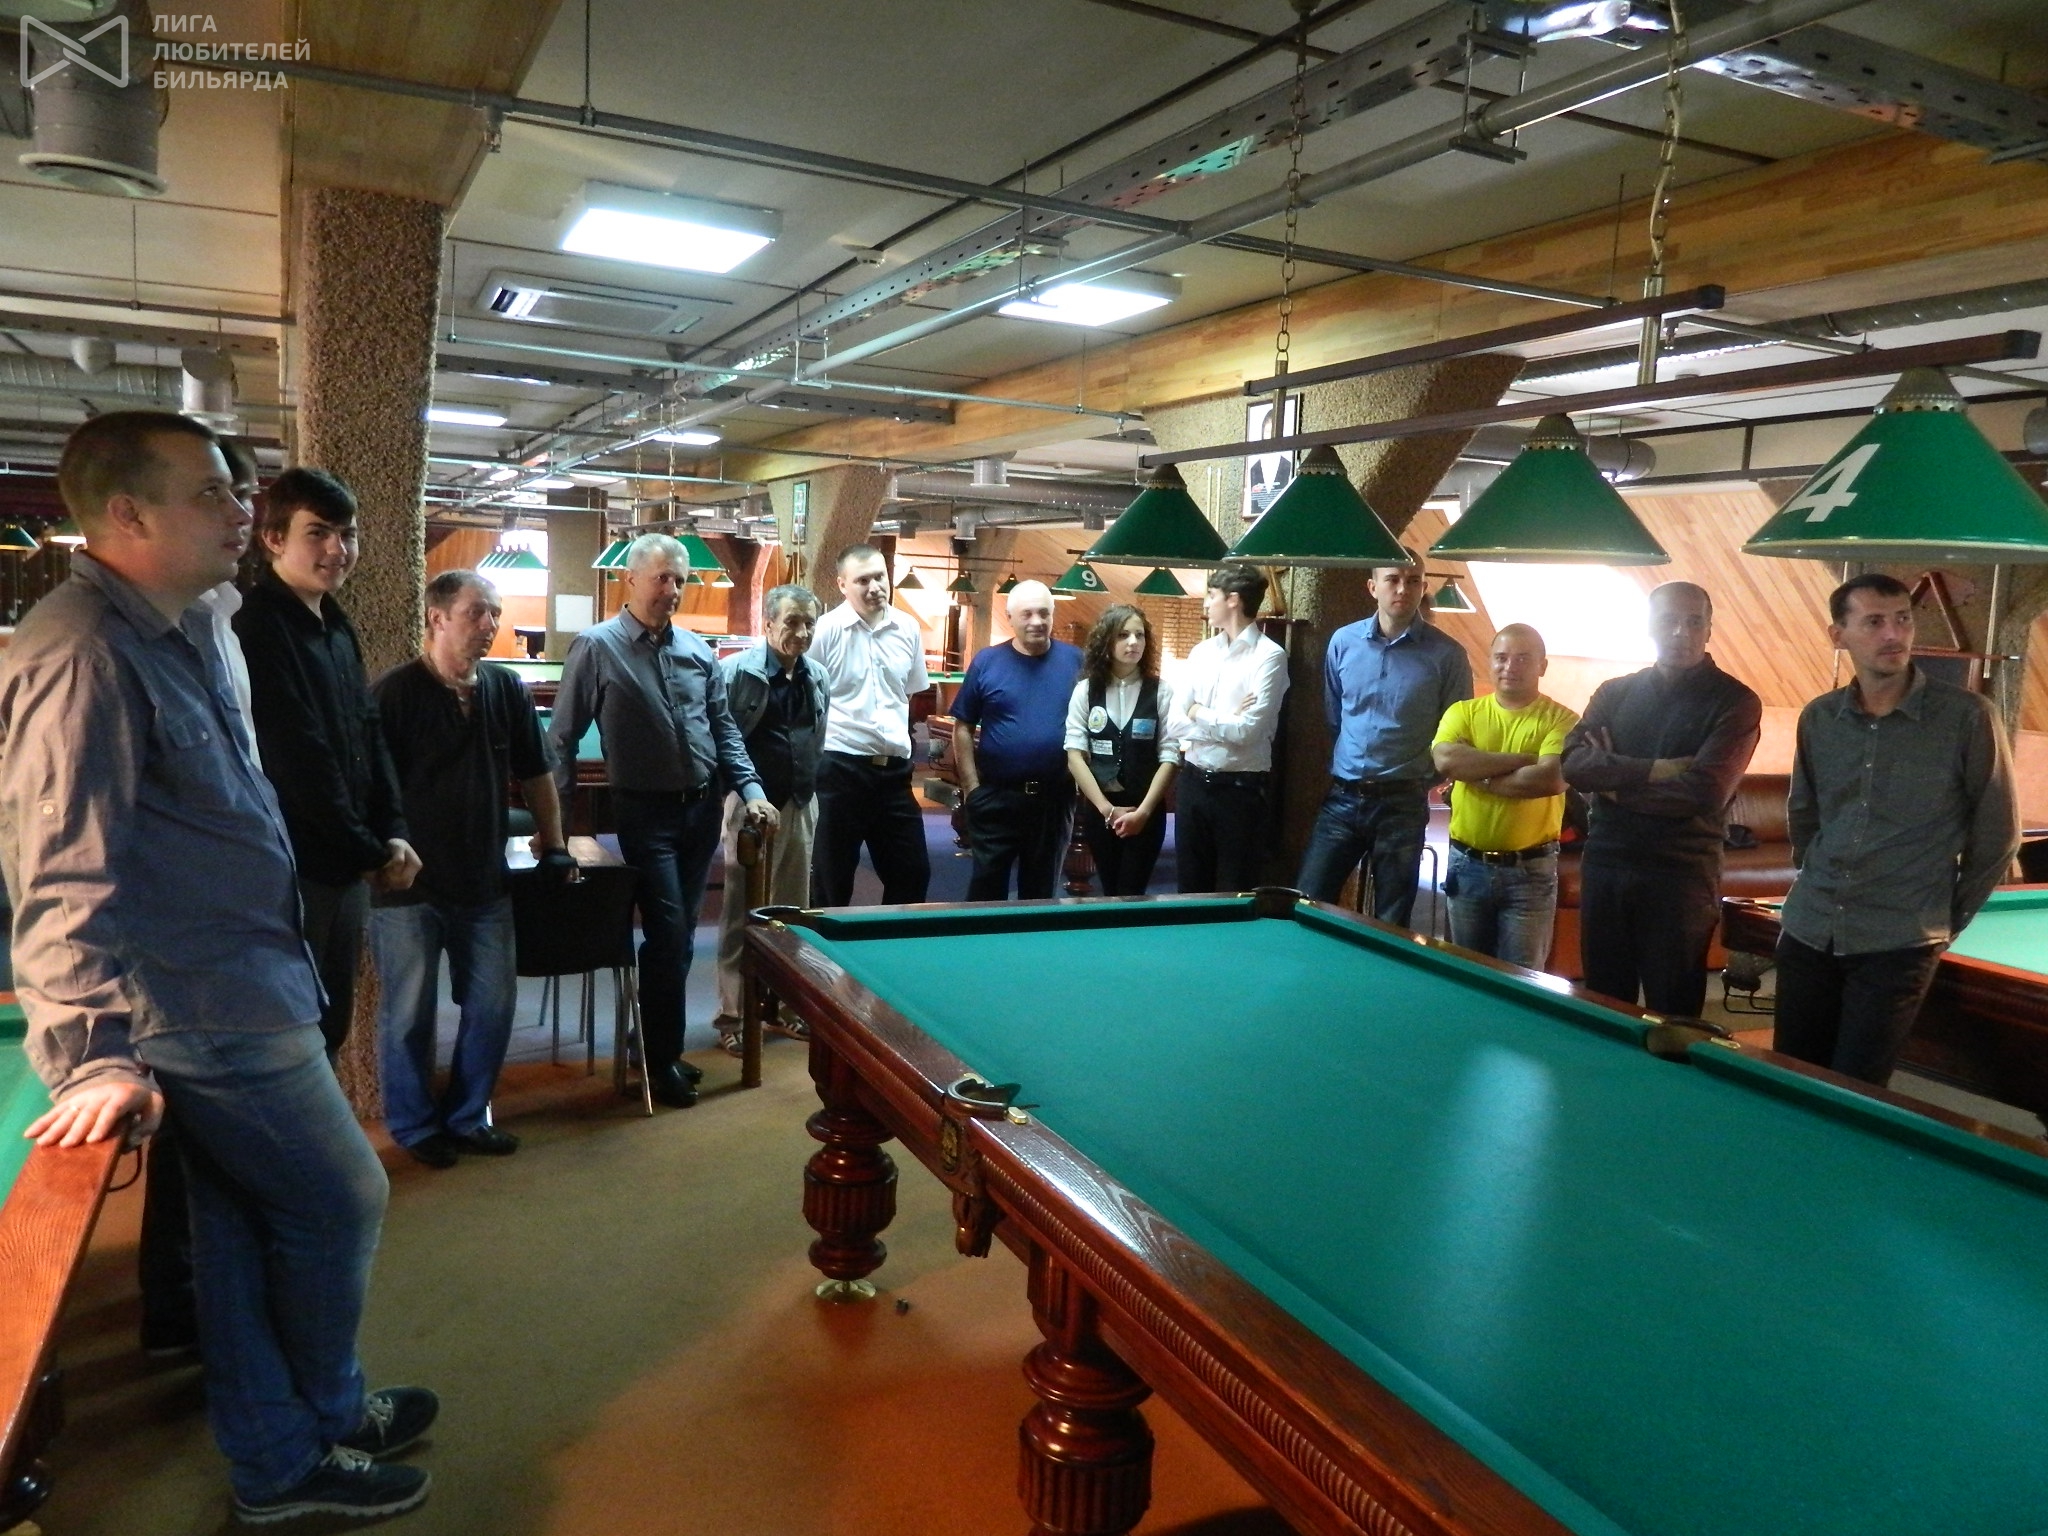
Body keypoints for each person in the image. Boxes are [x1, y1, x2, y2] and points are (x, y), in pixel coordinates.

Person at [0, 411, 432, 1523]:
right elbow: (57, 872)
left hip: (250, 976)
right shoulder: (81, 650)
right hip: (202, 1005)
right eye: (211, 493)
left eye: (236, 489)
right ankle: (315, 1425)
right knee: (340, 1199)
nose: (241, 508)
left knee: (241, 1229)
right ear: (128, 515)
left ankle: (285, 1451)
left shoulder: (189, 621)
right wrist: (93, 1056)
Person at [552, 533, 774, 1109]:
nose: (672, 590)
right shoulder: (596, 647)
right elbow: (562, 740)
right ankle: (659, 1057)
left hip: (701, 810)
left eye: (679, 580)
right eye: (661, 578)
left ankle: (652, 1042)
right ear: (630, 580)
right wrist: (557, 828)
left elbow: (724, 730)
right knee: (670, 932)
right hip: (643, 813)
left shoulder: (699, 651)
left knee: (679, 938)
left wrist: (751, 789)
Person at [1773, 573, 2019, 1084]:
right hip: (1809, 930)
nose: (1893, 634)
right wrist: (1817, 880)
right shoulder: (1819, 717)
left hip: (1898, 941)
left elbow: (1998, 835)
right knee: (1793, 1080)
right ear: (1838, 635)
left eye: (1902, 619)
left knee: (1857, 1091)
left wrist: (1947, 918)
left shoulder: (1968, 717)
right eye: (1874, 622)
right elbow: (1805, 814)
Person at [371, 571, 571, 1165]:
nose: (491, 624)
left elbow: (536, 772)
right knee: (408, 1016)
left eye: (495, 613)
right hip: (408, 888)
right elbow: (369, 787)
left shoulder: (505, 689)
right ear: (437, 618)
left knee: (493, 1006)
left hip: (484, 880)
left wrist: (555, 841)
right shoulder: (394, 694)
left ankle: (466, 1116)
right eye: (478, 612)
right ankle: (414, 1126)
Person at [233, 466, 418, 1057]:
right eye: (318, 533)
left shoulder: (336, 624)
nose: (338, 549)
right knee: (294, 1032)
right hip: (296, 868)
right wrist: (372, 852)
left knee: (332, 1024)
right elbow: (298, 761)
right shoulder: (256, 627)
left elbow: (369, 732)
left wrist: (393, 830)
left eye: (348, 534)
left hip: (347, 864)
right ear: (273, 538)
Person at [1562, 581, 1761, 1016]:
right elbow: (1574, 765)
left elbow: (1704, 792)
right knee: (1603, 1006)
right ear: (1649, 625)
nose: (1680, 632)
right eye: (1669, 620)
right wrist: (1656, 770)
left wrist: (1613, 781)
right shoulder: (1614, 692)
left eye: (1694, 622)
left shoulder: (1736, 702)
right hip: (1607, 862)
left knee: (1674, 1014)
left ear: (1709, 630)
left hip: (1681, 874)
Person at [1297, 558, 1472, 925]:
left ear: (1423, 587)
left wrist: (1423, 779)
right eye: (1392, 579)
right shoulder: (1343, 642)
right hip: (1343, 798)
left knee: (1391, 920)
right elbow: (1335, 715)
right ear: (1373, 587)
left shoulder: (1449, 655)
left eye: (1413, 580)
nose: (1403, 588)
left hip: (1402, 804)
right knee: (1308, 902)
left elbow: (1455, 730)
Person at [711, 583, 829, 1056]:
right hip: (750, 809)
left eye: (808, 623)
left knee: (791, 915)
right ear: (767, 624)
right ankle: (733, 1016)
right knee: (742, 913)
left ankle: (781, 1007)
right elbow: (721, 739)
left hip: (800, 804)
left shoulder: (817, 675)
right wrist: (739, 796)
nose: (801, 632)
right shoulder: (736, 672)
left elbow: (816, 736)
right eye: (791, 622)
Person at [1431, 624, 1578, 968]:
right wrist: (1523, 761)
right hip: (1466, 867)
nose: (1510, 666)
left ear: (1542, 666)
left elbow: (1550, 779)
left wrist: (1477, 775)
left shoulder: (1563, 720)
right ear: (1490, 661)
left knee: (1522, 980)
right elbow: (1446, 760)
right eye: (1501, 657)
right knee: (1466, 974)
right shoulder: (1463, 712)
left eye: (1523, 658)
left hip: (1531, 874)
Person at [809, 543, 932, 906]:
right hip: (840, 772)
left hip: (895, 775)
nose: (874, 587)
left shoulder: (908, 627)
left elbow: (907, 693)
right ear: (842, 585)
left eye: (879, 577)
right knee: (832, 883)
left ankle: (891, 943)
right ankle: (824, 946)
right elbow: (807, 698)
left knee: (912, 875)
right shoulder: (825, 631)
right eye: (862, 580)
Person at [952, 580, 1085, 901]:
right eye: (1027, 614)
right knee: (985, 894)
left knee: (1040, 895)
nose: (1037, 621)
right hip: (996, 798)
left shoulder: (1077, 661)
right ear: (1010, 617)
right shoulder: (987, 661)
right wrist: (972, 790)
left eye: (1044, 613)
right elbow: (962, 727)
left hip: (1054, 801)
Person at [1165, 565, 1289, 894]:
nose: (1206, 603)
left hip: (1240, 791)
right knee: (1189, 890)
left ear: (1233, 600)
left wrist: (1198, 712)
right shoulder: (1201, 652)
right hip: (1192, 783)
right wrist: (1224, 719)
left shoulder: (1270, 657)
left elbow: (1247, 732)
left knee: (1234, 891)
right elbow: (1174, 723)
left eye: (1211, 595)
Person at [1065, 604, 1180, 896]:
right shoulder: (1086, 690)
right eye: (1123, 635)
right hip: (1101, 810)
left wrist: (1143, 812)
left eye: (1139, 635)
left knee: (1133, 890)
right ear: (1106, 640)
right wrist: (1107, 810)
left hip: (1146, 812)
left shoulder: (1161, 691)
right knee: (1110, 890)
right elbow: (1075, 756)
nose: (1133, 642)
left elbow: (1170, 756)